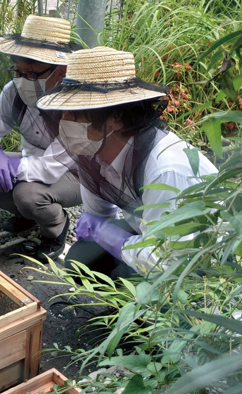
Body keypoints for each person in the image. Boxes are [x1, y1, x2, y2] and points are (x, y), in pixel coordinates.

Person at [35, 46, 217, 278]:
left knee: (134, 273)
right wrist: (101, 230)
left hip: (199, 252)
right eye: (64, 112)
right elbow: (98, 216)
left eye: (76, 113)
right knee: (81, 260)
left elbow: (166, 261)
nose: (65, 121)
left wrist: (106, 235)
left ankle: (155, 312)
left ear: (117, 118)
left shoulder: (165, 168)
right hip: (150, 229)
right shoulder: (93, 151)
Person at [0, 15, 83, 260]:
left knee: (28, 195)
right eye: (19, 72)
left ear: (62, 70)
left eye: (33, 74)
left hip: (77, 173)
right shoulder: (14, 92)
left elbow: (48, 169)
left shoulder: (78, 106)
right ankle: (29, 215)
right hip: (33, 160)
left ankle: (54, 228)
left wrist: (9, 164)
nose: (24, 80)